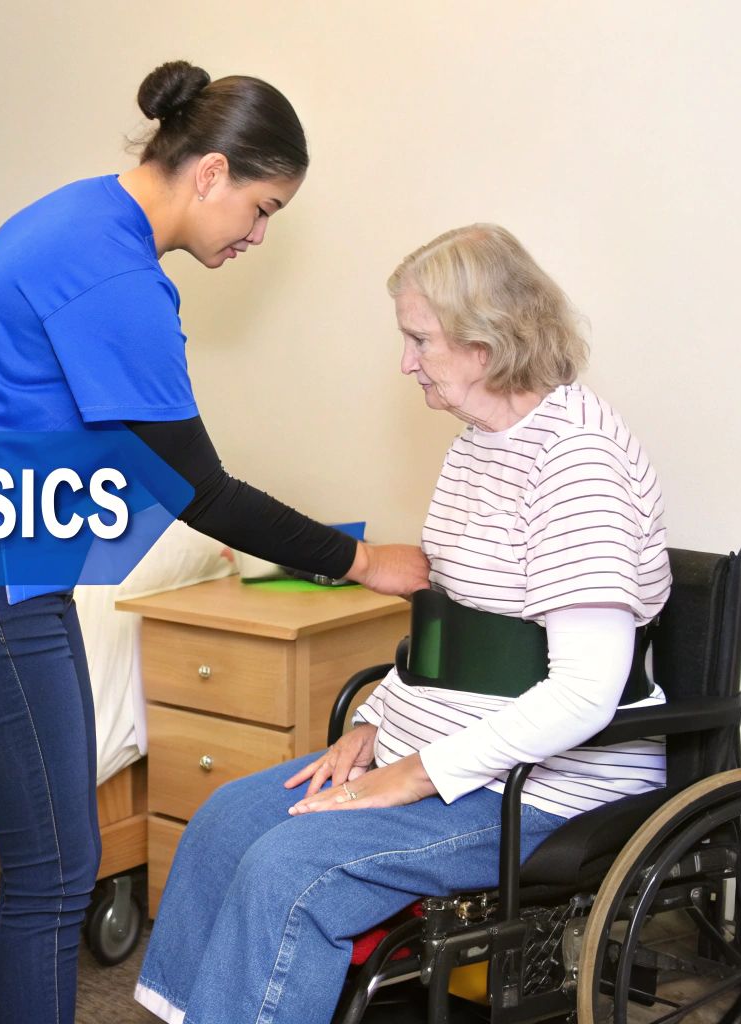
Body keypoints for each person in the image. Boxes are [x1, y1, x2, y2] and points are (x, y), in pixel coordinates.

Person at [0, 61, 432, 1024]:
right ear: (211, 173)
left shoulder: (75, 214)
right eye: (261, 209)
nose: (258, 238)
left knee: (54, 862)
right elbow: (203, 492)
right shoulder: (118, 279)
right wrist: (369, 562)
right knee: (56, 871)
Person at [133, 224, 672, 1024]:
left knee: (292, 869)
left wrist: (413, 772)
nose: (406, 361)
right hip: (451, 754)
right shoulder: (479, 446)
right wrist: (375, 724)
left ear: (486, 343)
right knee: (223, 824)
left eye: (420, 339)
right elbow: (448, 629)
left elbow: (585, 694)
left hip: (548, 789)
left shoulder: (577, 461)